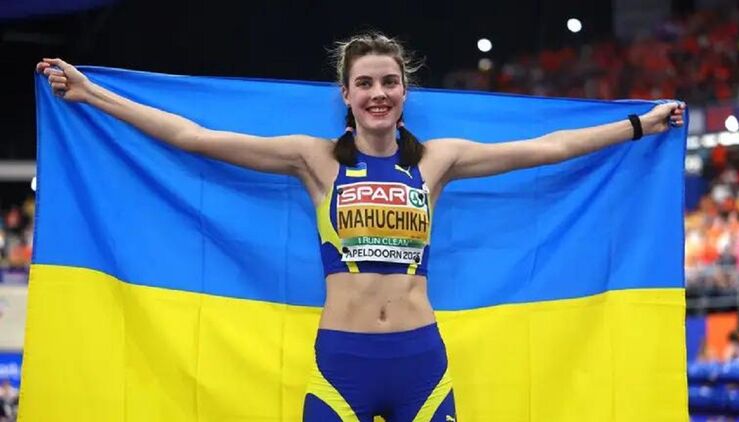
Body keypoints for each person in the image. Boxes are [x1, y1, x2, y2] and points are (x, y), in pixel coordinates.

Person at [37, 32, 685, 421]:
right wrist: (91, 95)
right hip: (341, 365)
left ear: (404, 92)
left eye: (389, 82)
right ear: (345, 95)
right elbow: (194, 137)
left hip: (421, 364)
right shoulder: (313, 159)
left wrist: (637, 126)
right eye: (365, 83)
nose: (378, 92)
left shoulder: (437, 161)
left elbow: (548, 148)